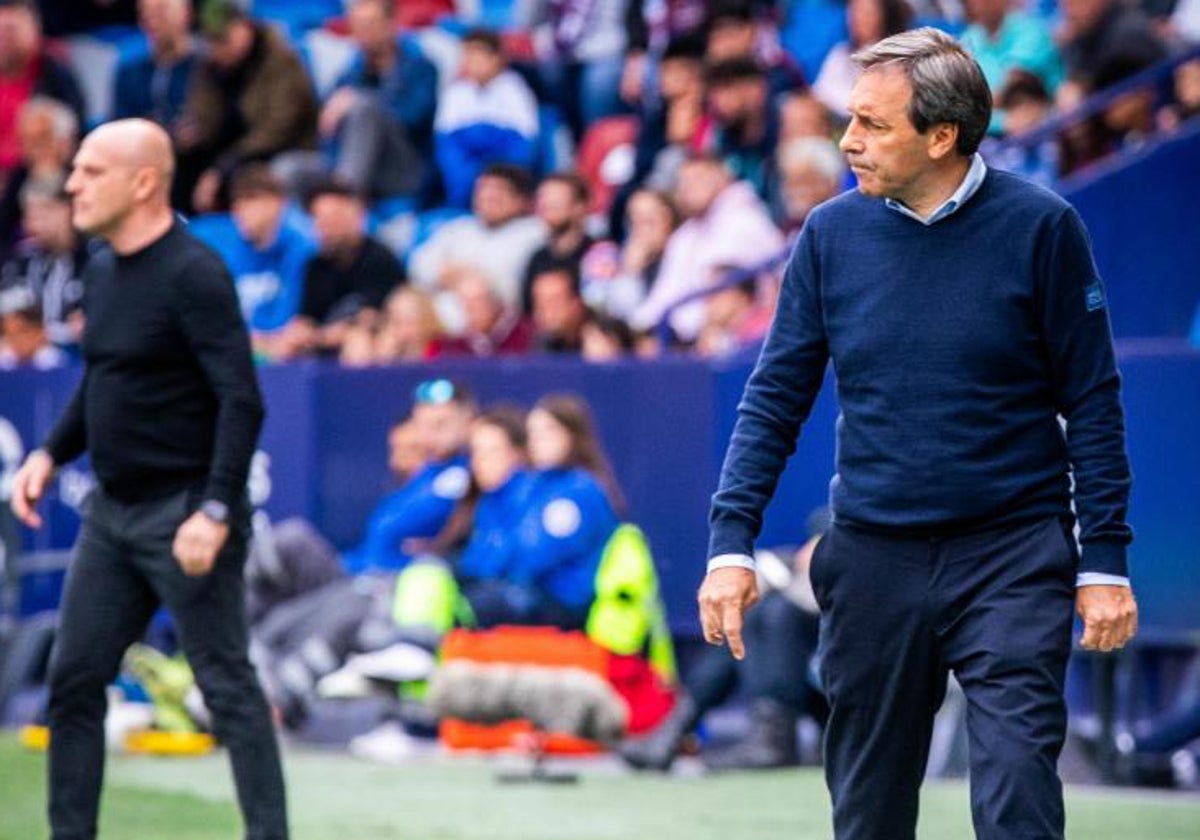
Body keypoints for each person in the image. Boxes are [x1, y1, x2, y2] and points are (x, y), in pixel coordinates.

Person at [699, 29, 1136, 840]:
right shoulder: (830, 236)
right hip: (871, 559)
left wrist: (1104, 558)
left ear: (943, 136)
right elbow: (774, 399)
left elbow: (1094, 402)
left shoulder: (1044, 227)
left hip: (1013, 555)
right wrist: (731, 543)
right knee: (867, 812)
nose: (847, 141)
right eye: (849, 119)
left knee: (1016, 792)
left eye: (871, 124)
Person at [9, 119, 287, 840]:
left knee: (227, 689)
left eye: (91, 171)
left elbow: (241, 397)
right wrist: (51, 452)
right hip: (113, 513)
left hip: (186, 514)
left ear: (143, 183)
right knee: (73, 684)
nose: (72, 183)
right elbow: (104, 374)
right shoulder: (101, 266)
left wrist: (217, 509)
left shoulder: (194, 273)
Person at [174, 0, 317, 213]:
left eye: (223, 39)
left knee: (246, 172)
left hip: (275, 151)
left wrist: (223, 167)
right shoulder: (209, 67)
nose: (217, 48)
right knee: (179, 160)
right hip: (228, 152)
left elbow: (277, 130)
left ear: (245, 27)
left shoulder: (281, 60)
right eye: (211, 41)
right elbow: (203, 119)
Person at [629, 153, 784, 343]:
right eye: (683, 182)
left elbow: (735, 300)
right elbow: (664, 296)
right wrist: (635, 332)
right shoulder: (684, 235)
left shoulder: (746, 221)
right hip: (681, 336)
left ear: (722, 177)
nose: (688, 189)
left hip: (741, 338)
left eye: (698, 179)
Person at [314, 0, 438, 200]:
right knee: (291, 168)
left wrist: (359, 100)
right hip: (350, 164)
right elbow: (327, 128)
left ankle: (343, 202)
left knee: (364, 109)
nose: (364, 33)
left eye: (371, 24)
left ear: (392, 24)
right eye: (358, 25)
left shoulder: (422, 69)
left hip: (403, 170)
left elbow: (411, 118)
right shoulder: (349, 75)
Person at [271, 179, 404, 360]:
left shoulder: (379, 259)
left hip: (375, 348)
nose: (325, 226)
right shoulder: (316, 266)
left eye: (334, 218)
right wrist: (298, 333)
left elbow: (371, 318)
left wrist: (321, 336)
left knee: (358, 341)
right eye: (318, 218)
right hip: (322, 348)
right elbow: (307, 318)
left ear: (357, 216)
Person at [433, 28, 539, 208]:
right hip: (465, 158)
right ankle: (460, 205)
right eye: (467, 56)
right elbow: (445, 138)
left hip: (504, 155)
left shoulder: (514, 87)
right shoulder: (455, 91)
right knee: (455, 166)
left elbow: (526, 138)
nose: (470, 62)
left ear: (497, 58)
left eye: (478, 55)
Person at [0, 172, 87, 350]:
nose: (30, 226)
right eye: (28, 217)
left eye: (39, 215)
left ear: (66, 210)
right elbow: (9, 309)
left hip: (77, 358)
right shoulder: (21, 260)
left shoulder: (93, 258)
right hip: (29, 362)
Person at [0, 0, 85, 178]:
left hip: (34, 178)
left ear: (35, 30)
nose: (6, 42)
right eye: (1, 34)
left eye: (12, 32)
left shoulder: (56, 76)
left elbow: (70, 138)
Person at [112, 0, 197, 127]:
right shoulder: (130, 72)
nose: (153, 22)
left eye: (161, 12)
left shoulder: (207, 66)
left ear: (185, 13)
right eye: (146, 14)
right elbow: (119, 125)